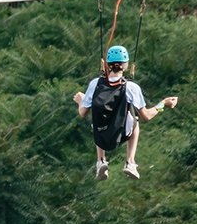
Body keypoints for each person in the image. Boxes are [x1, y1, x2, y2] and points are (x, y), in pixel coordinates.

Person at [74, 44, 177, 179]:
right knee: (136, 121)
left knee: (97, 116)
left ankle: (101, 161)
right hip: (122, 133)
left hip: (101, 137)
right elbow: (146, 116)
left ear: (107, 65)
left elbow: (82, 113)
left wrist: (80, 100)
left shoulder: (95, 84)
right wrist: (163, 104)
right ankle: (130, 162)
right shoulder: (131, 87)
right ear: (126, 64)